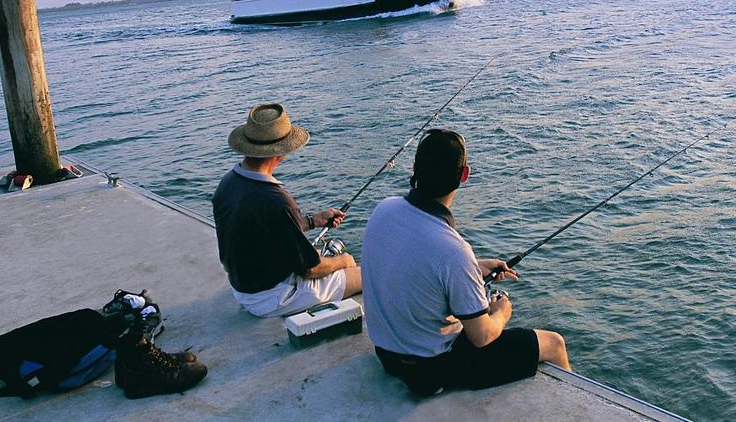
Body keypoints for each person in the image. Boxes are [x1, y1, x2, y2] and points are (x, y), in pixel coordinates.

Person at [362, 128, 570, 396]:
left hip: (387, 356)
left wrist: (474, 266)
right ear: (464, 174)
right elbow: (481, 337)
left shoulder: (384, 210)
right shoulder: (452, 250)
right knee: (554, 343)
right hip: (429, 370)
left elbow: (415, 263)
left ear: (414, 168)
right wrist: (501, 312)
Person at [212, 103, 361, 317]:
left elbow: (265, 226)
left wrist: (313, 220)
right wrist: (343, 261)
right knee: (363, 274)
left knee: (322, 257)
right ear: (281, 153)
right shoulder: (275, 200)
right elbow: (310, 270)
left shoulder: (228, 183)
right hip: (271, 297)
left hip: (243, 287)